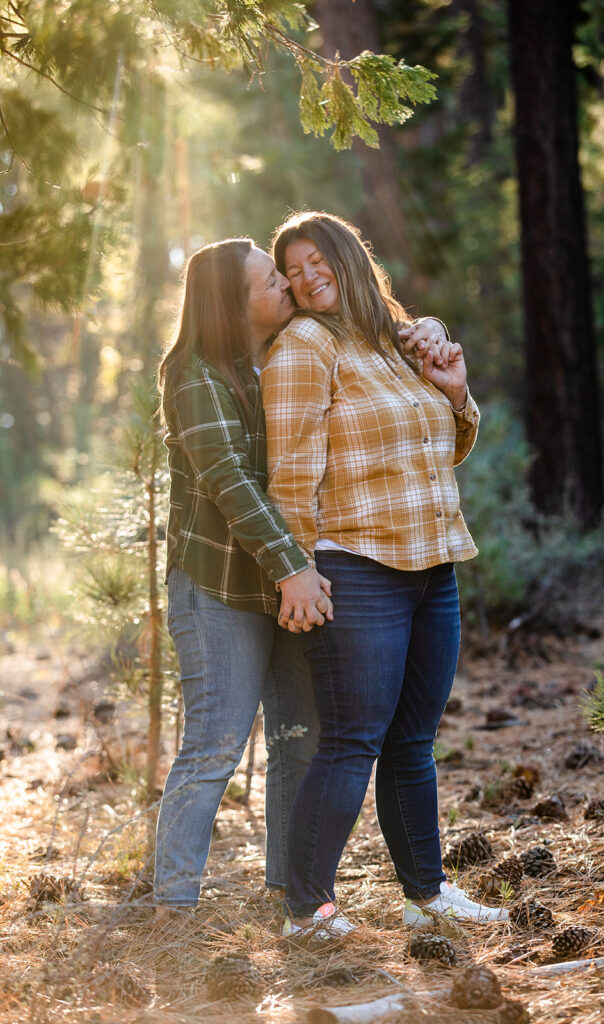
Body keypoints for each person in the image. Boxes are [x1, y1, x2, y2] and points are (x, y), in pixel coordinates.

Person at [154, 237, 451, 916]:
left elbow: (377, 331)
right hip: (222, 588)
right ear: (233, 308)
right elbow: (229, 479)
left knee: (300, 741)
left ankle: (289, 895)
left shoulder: (286, 354)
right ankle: (171, 908)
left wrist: (425, 330)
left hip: (288, 586)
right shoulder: (195, 375)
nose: (287, 288)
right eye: (271, 283)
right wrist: (293, 566)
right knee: (214, 746)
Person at [261, 211, 508, 936]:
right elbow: (290, 475)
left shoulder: (393, 341)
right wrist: (295, 568)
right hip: (357, 566)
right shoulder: (305, 346)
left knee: (412, 743)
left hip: (433, 566)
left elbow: (442, 450)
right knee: (351, 741)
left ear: (346, 257)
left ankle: (426, 898)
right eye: (292, 271)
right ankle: (306, 910)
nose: (306, 279)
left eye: (315, 261)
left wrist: (455, 392)